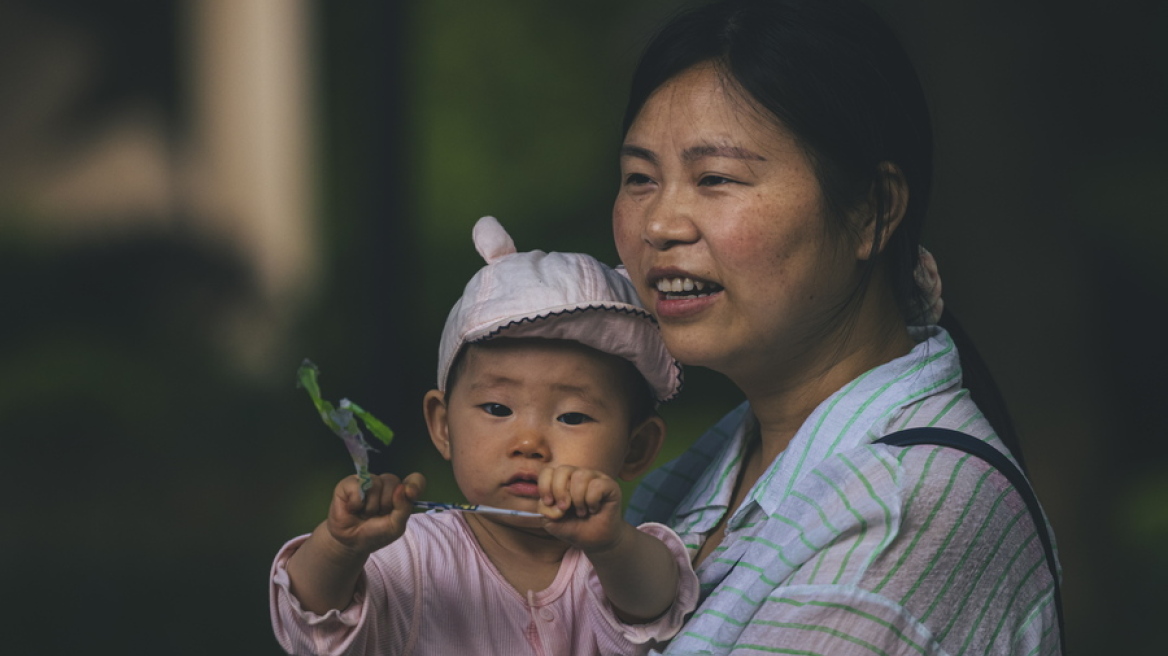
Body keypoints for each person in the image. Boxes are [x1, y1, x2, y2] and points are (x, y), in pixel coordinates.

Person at [612, 0, 1062, 654]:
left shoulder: (907, 511)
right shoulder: (700, 472)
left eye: (715, 178)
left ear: (871, 210)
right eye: (639, 178)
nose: (659, 224)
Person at [270, 216, 698, 656]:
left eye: (572, 417)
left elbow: (656, 604)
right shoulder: (413, 555)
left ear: (636, 447)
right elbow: (311, 622)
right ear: (443, 425)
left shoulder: (615, 561)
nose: (529, 443)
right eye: (497, 409)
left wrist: (611, 544)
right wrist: (340, 549)